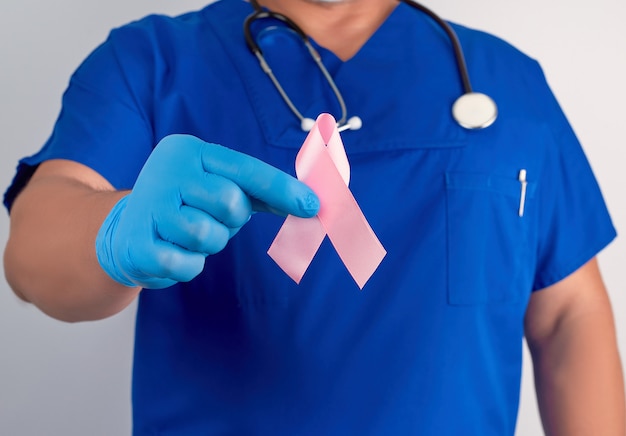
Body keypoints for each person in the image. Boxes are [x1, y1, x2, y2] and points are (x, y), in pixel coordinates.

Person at [3, 0, 625, 434]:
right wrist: (113, 232)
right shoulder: (153, 62)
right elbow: (33, 247)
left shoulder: (508, 81)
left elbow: (568, 314)